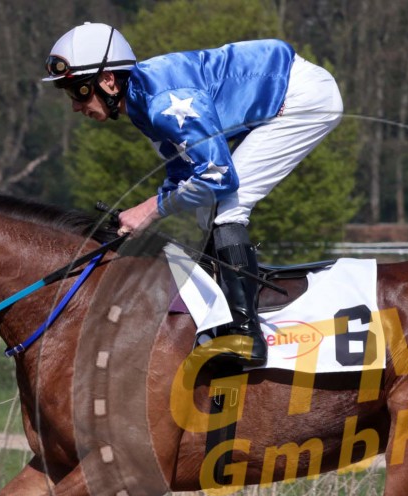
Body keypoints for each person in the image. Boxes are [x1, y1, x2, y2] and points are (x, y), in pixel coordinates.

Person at [44, 22, 344, 367]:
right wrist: (142, 214)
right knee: (208, 211)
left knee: (226, 206)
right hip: (285, 89)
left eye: (79, 91)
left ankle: (245, 337)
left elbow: (218, 177)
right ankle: (224, 317)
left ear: (108, 80)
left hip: (301, 96)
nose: (75, 106)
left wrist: (149, 209)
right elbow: (183, 176)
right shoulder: (142, 105)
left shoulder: (160, 103)